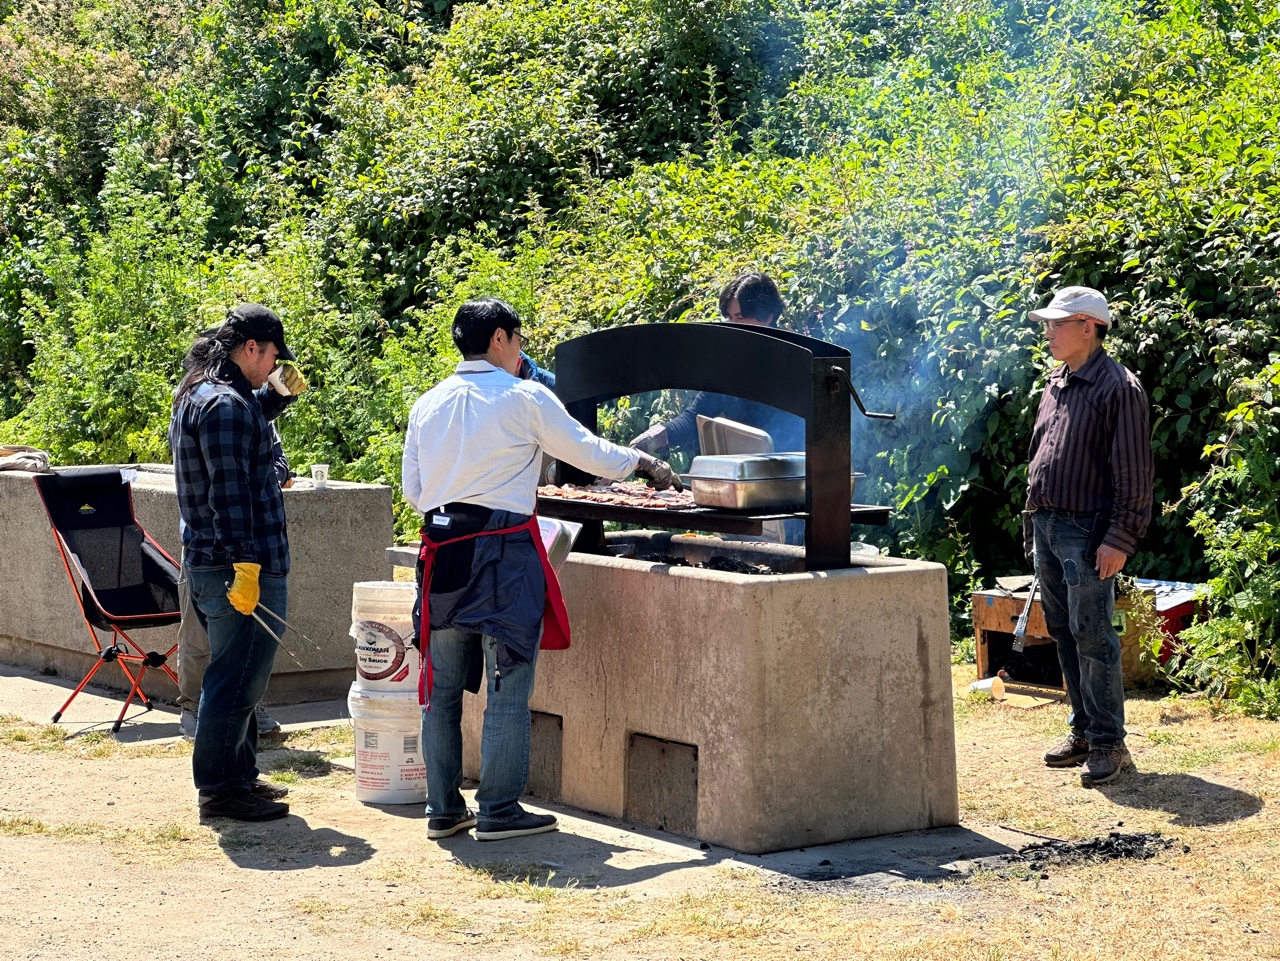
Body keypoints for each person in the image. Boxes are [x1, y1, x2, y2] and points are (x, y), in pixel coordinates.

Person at [401, 296, 679, 842]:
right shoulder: (524, 397)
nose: (521, 349)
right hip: (501, 554)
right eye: (519, 338)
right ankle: (500, 810)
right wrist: (642, 462)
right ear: (500, 337)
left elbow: (415, 494)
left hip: (441, 553)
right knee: (507, 684)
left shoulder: (426, 404)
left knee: (444, 687)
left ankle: (443, 809)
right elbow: (588, 453)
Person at [168, 304, 307, 821]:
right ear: (250, 348)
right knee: (236, 679)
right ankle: (222, 788)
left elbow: (242, 436)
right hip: (236, 566)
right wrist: (246, 566)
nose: (273, 365)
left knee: (237, 675)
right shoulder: (223, 404)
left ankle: (239, 777)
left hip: (211, 562)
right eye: (271, 358)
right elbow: (230, 494)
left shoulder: (204, 393)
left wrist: (275, 398)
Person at [1026, 286, 1153, 787]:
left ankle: (1108, 743)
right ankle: (1083, 730)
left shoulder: (1119, 387)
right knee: (1063, 630)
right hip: (1048, 525)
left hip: (1089, 531)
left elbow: (1134, 473)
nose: (1049, 332)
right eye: (1048, 324)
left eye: (1058, 323)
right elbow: (1043, 450)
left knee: (1094, 635)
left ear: (1088, 327)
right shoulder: (1058, 380)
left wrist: (1120, 538)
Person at [176, 421, 291, 740]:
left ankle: (250, 706)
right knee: (199, 636)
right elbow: (220, 480)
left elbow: (281, 466)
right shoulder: (202, 408)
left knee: (252, 639)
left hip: (256, 547)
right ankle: (192, 707)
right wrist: (258, 476)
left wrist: (262, 474)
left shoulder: (261, 416)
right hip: (207, 550)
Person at [628, 272, 803, 456]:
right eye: (730, 318)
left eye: (741, 318)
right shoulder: (730, 365)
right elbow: (694, 417)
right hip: (744, 472)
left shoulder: (795, 361)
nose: (734, 326)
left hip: (795, 474)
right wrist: (655, 436)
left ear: (768, 316)